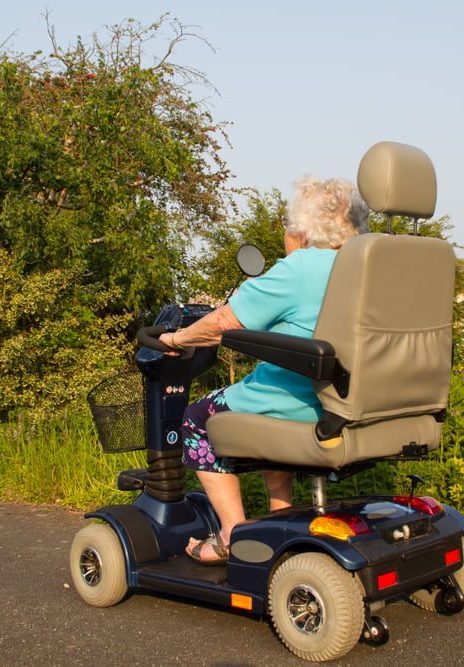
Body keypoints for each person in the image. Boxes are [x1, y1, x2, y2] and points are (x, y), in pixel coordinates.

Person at [158, 176, 369, 564]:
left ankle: (231, 536)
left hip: (305, 402)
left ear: (305, 230)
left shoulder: (303, 266)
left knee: (196, 418)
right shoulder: (376, 266)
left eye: (290, 227)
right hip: (365, 404)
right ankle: (279, 517)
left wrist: (175, 340)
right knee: (266, 398)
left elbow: (224, 323)